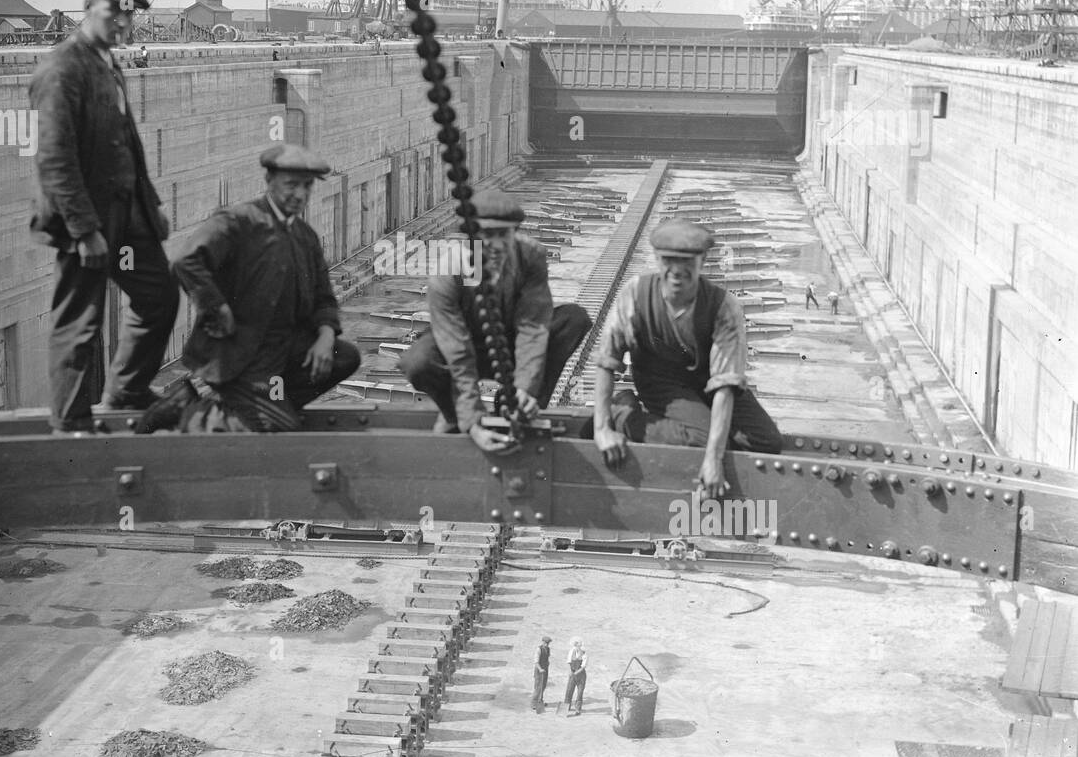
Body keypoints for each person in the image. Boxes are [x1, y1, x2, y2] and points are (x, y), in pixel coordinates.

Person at [29, 0, 179, 434]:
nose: (123, 24)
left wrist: (150, 205)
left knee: (159, 295)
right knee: (80, 320)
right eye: (115, 12)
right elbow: (55, 159)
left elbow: (127, 142)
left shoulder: (106, 65)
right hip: (88, 221)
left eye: (129, 17)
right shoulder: (63, 69)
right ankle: (70, 424)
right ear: (88, 7)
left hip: (126, 215)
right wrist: (83, 230)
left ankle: (127, 390)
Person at [159, 143, 362, 432]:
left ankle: (264, 409)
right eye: (291, 185)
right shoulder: (238, 221)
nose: (300, 194)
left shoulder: (304, 236)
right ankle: (193, 409)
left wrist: (326, 336)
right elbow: (187, 260)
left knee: (345, 357)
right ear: (269, 181)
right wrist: (216, 307)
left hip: (281, 354)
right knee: (281, 428)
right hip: (239, 356)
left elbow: (324, 298)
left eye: (307, 186)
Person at [590, 219, 783, 495]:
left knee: (766, 441)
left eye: (687, 262)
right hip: (661, 383)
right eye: (668, 260)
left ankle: (697, 425)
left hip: (707, 381)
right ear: (657, 259)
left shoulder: (722, 307)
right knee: (702, 441)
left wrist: (715, 459)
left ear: (702, 261)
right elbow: (607, 360)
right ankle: (623, 415)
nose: (677, 271)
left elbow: (725, 384)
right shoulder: (636, 294)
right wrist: (602, 428)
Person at [399, 191, 592, 452]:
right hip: (465, 345)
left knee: (573, 319)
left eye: (504, 235)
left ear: (515, 232)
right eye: (488, 235)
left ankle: (521, 406)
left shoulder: (530, 256)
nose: (497, 245)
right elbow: (456, 348)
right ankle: (455, 415)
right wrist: (473, 419)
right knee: (418, 361)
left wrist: (526, 387)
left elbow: (532, 325)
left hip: (509, 344)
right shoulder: (450, 269)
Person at [564, 637, 587, 716]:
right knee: (569, 690)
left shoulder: (584, 654)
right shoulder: (572, 651)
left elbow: (583, 667)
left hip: (581, 676)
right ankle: (566, 707)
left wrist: (575, 673)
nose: (576, 647)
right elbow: (569, 662)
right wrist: (570, 671)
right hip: (573, 673)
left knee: (580, 692)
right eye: (575, 645)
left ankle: (578, 709)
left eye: (578, 645)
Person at [532, 636, 553, 712]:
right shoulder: (539, 649)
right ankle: (534, 703)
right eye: (546, 643)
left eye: (548, 643)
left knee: (543, 686)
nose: (547, 644)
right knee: (538, 687)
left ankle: (540, 701)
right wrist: (540, 669)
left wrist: (547, 664)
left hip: (545, 669)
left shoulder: (548, 649)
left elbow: (547, 658)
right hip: (539, 670)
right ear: (543, 642)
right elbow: (536, 662)